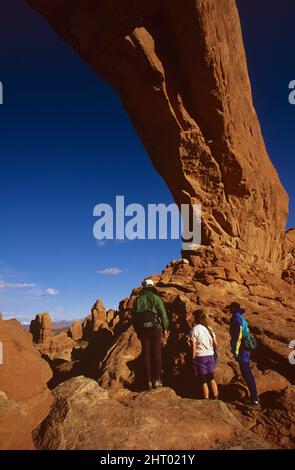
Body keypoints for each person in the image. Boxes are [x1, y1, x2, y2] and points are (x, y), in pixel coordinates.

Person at [133, 279, 169, 390]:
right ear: (152, 286)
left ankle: (148, 381)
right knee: (157, 354)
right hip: (155, 328)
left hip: (143, 330)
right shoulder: (156, 298)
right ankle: (157, 380)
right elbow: (163, 314)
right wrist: (165, 328)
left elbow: (134, 317)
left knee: (146, 355)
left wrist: (138, 331)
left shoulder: (138, 299)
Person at [226, 302, 260, 410]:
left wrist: (235, 352)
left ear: (233, 309)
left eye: (230, 309)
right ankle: (253, 397)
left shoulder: (236, 319)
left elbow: (238, 337)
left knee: (247, 374)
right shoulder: (240, 317)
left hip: (242, 350)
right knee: (247, 374)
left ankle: (255, 401)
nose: (229, 311)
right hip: (245, 349)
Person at [190, 309, 219, 400]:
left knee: (203, 380)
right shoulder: (209, 329)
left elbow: (193, 346)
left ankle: (206, 399)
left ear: (196, 318)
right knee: (211, 378)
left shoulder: (194, 330)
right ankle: (216, 397)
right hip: (210, 355)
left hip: (200, 356)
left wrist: (193, 357)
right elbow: (216, 344)